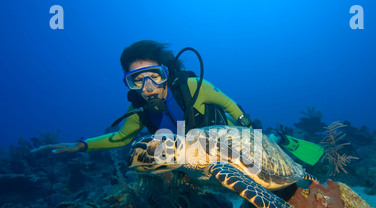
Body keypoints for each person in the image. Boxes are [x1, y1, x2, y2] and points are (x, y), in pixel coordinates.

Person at [32, 40, 252, 154]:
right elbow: (121, 137)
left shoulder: (193, 87)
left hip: (232, 140)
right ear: (130, 83)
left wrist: (251, 133)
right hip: (194, 159)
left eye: (155, 76)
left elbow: (231, 106)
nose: (148, 87)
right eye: (138, 79)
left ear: (166, 72)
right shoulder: (139, 111)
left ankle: (274, 139)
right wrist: (83, 145)